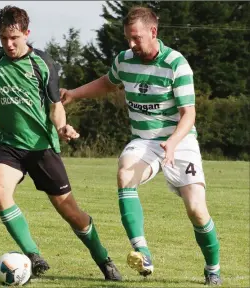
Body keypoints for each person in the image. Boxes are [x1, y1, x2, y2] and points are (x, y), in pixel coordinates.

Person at [0, 5, 121, 281]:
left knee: (70, 211)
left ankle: (104, 259)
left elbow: (55, 106)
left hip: (42, 147)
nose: (9, 44)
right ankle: (33, 255)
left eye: (14, 38)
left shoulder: (43, 63)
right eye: (4, 38)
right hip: (8, 145)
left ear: (27, 33)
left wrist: (63, 127)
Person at [60, 6, 221, 286]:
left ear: (153, 32)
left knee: (196, 209)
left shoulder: (176, 64)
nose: (132, 45)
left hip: (179, 141)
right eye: (128, 39)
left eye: (136, 38)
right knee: (125, 174)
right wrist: (74, 94)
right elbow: (107, 83)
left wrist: (171, 143)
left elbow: (189, 114)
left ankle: (213, 268)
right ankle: (142, 251)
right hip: (144, 141)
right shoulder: (124, 60)